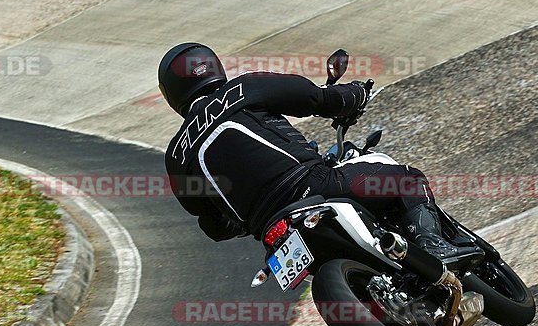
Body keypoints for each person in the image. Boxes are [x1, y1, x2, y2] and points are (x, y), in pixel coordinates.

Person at [160, 42, 460, 260]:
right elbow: (314, 98)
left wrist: (244, 222)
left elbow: (212, 225)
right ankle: (434, 246)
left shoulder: (176, 155)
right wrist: (354, 94)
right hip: (313, 185)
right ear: (212, 66)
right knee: (406, 179)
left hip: (269, 230)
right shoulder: (242, 89)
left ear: (171, 93)